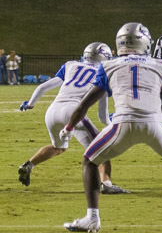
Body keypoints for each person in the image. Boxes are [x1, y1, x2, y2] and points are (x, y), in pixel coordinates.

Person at [60, 22, 162, 233]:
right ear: (145, 42)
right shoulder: (160, 65)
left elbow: (84, 104)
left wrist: (69, 128)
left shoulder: (108, 66)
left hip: (122, 124)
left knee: (90, 161)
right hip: (156, 125)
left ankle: (92, 217)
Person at [17, 42, 129, 194]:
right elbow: (102, 116)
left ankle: (28, 165)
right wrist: (111, 121)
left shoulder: (71, 65)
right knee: (101, 147)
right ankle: (107, 184)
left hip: (51, 112)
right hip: (73, 113)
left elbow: (43, 87)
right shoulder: (103, 74)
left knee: (59, 147)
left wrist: (30, 104)